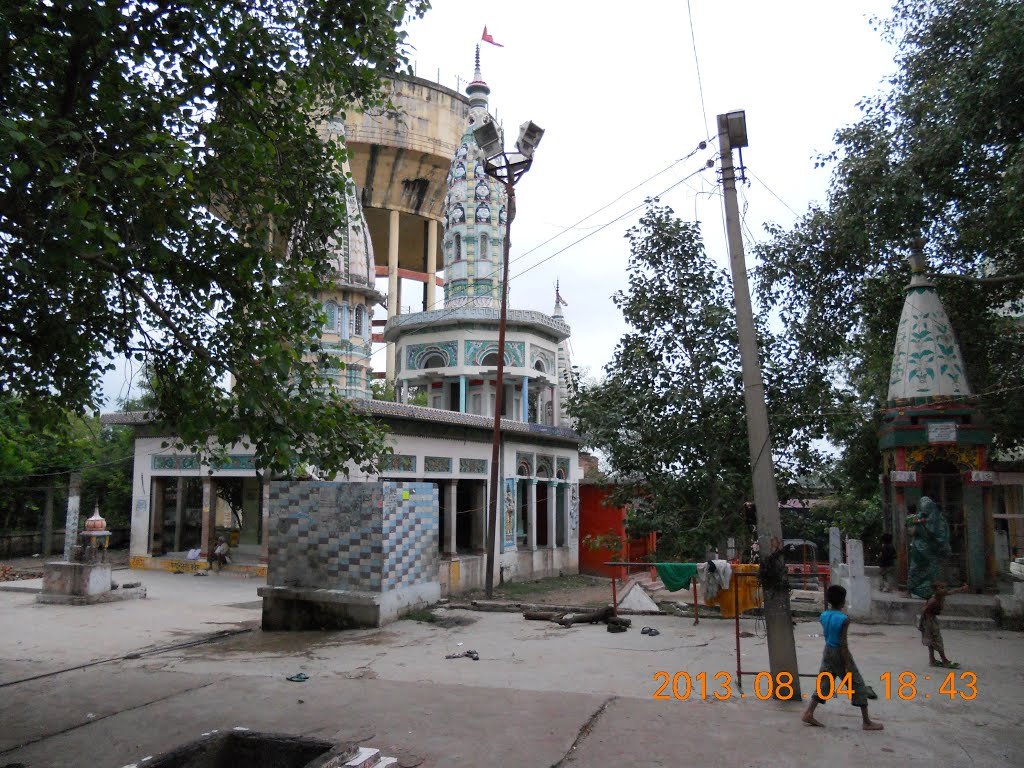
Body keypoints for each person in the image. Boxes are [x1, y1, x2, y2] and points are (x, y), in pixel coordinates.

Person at [802, 584, 883, 730]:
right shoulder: (844, 619)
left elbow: (828, 635)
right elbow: (843, 643)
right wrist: (847, 663)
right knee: (857, 684)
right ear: (843, 601)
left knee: (824, 682)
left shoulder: (824, 615)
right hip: (839, 652)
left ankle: (809, 712)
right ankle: (866, 722)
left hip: (827, 651)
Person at [906, 496, 951, 599]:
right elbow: (943, 538)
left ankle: (918, 591)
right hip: (931, 552)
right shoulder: (940, 520)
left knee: (917, 571)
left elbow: (911, 532)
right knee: (931, 572)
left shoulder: (919, 519)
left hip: (922, 551)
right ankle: (931, 592)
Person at [919, 581, 968, 668]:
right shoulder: (933, 601)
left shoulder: (940, 596)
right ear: (935, 590)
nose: (944, 590)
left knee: (931, 641)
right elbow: (924, 610)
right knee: (937, 640)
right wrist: (922, 624)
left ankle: (932, 659)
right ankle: (944, 660)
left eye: (944, 588)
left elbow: (952, 591)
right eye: (941, 588)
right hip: (930, 621)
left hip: (932, 619)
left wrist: (962, 589)